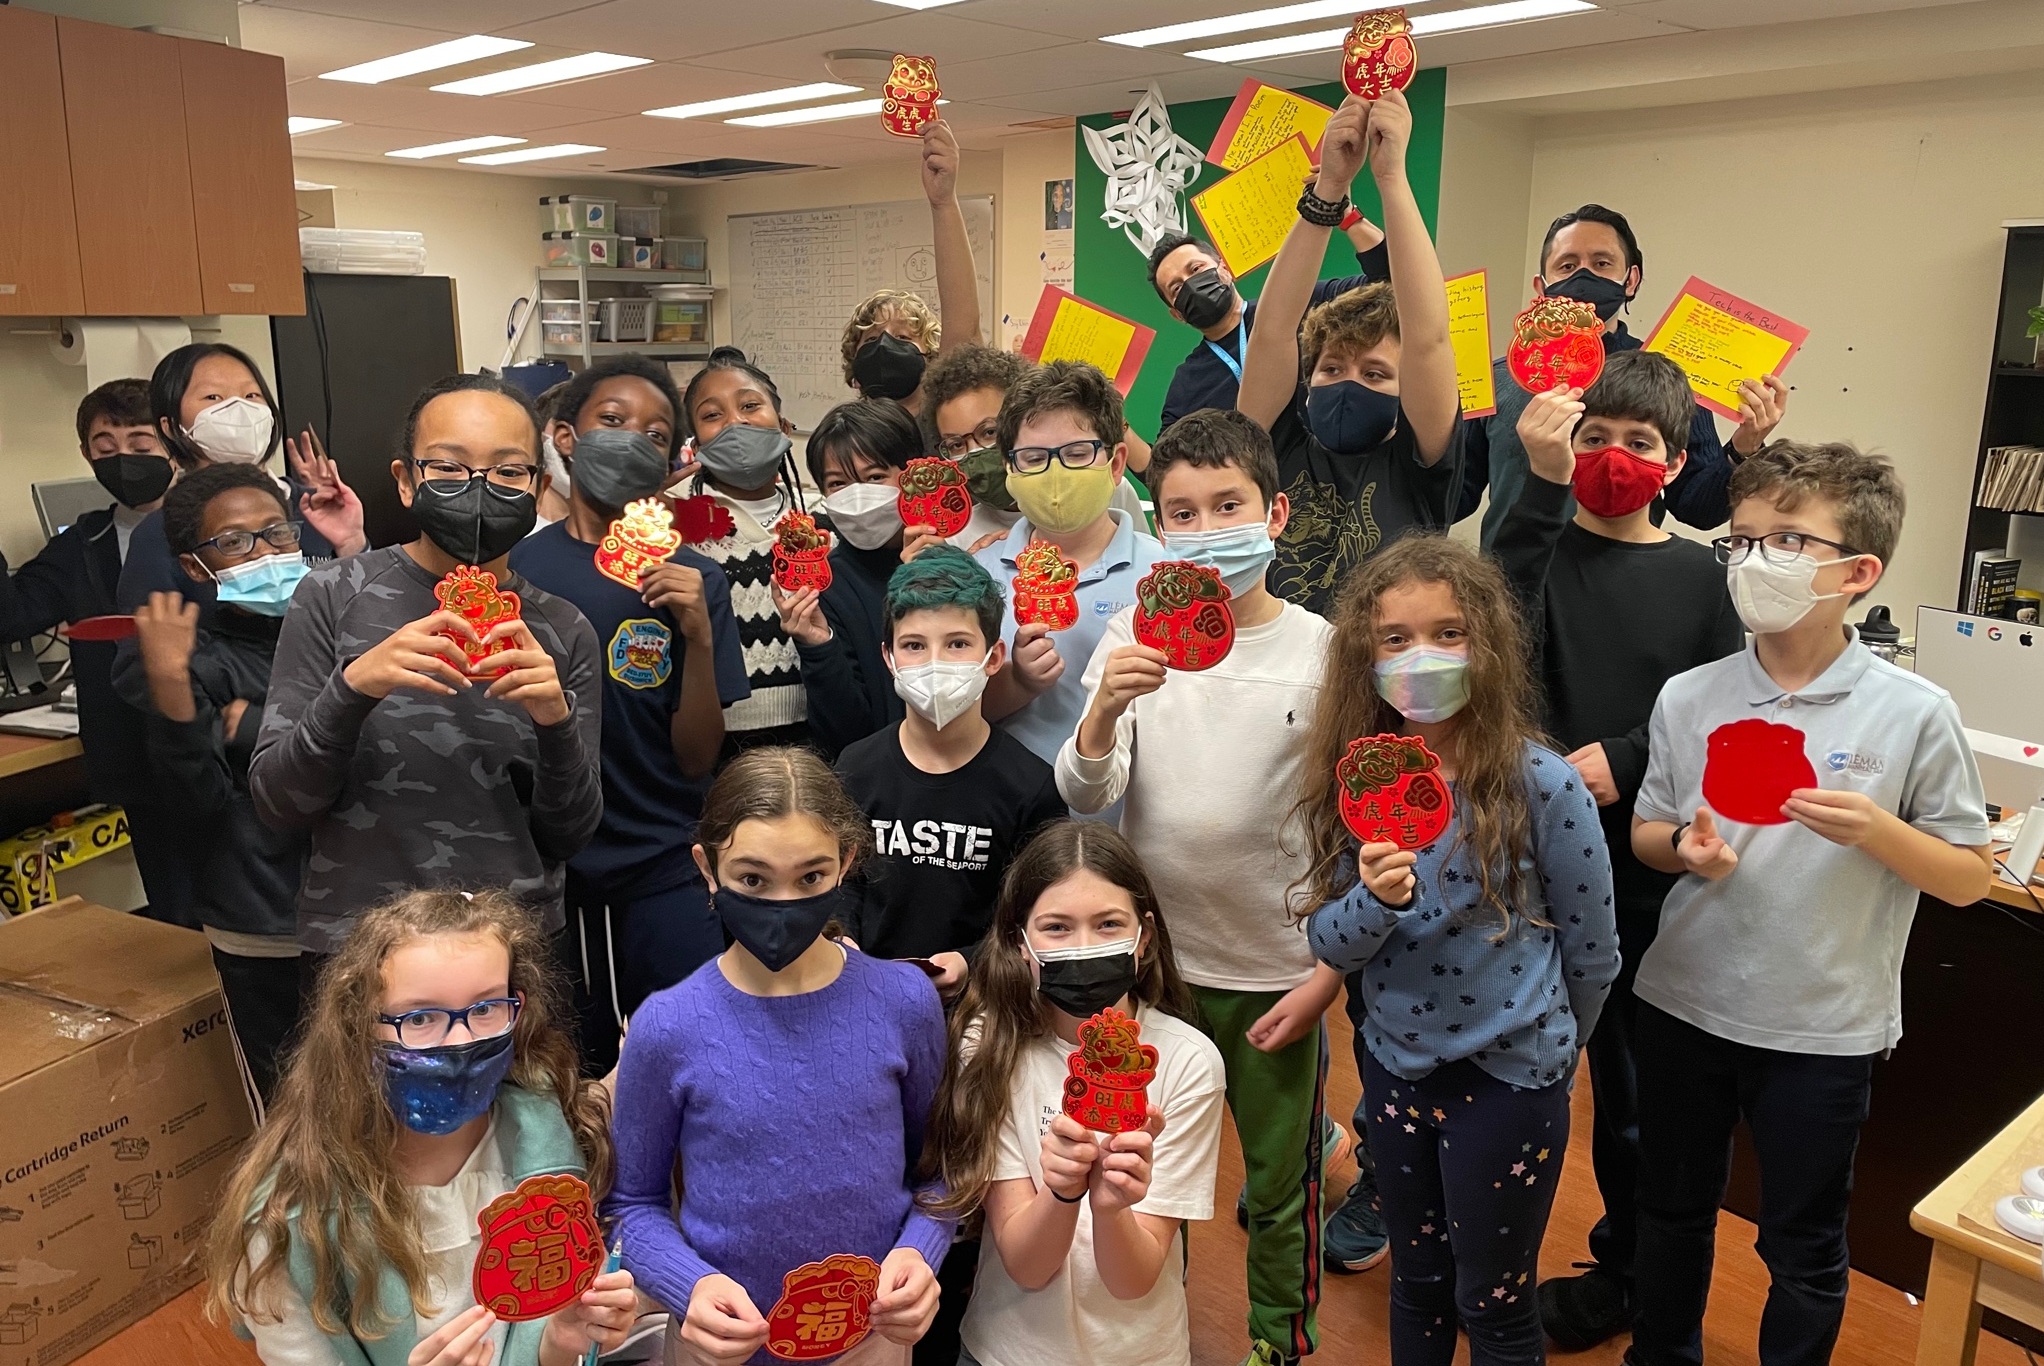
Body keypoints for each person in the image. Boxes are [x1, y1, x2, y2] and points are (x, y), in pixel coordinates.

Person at [1625, 443, 1991, 1366]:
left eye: (1788, 540)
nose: (1757, 562)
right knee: (1667, 1215)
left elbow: (1968, 876)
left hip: (1823, 1030)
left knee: (1803, 1244)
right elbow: (1648, 832)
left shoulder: (1912, 712)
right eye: (1742, 541)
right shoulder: (1691, 695)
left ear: (1858, 571)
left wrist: (1879, 832)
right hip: (1685, 1005)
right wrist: (1687, 852)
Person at [1056, 409, 1346, 1366]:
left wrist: (1330, 973)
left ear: (1276, 512)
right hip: (1161, 970)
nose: (1208, 525)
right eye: (1182, 512)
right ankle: (1158, 1330)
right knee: (1150, 1167)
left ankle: (1277, 1342)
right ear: (1159, 527)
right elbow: (1086, 791)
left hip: (1278, 967)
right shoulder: (1138, 634)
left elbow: (1350, 827)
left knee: (1279, 1181)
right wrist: (1103, 709)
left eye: (1229, 504)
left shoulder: (1322, 648)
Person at [1296, 534, 1621, 1366]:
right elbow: (1329, 942)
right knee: (1418, 1281)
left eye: (1449, 632)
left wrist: (1552, 1045)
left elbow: (1593, 954)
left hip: (1511, 1083)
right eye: (1396, 638)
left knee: (1496, 1300)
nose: (1424, 656)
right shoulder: (1358, 789)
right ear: (1363, 657)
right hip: (1397, 1074)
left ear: (1488, 645)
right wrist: (1379, 895)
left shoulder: (1540, 784)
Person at [1490, 351, 1748, 1349]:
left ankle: (1631, 1267)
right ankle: (1503, 1255)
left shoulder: (1699, 575)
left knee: (1635, 1099)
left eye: (1635, 442)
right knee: (1519, 1084)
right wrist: (1535, 489)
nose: (1610, 455)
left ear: (1675, 460)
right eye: (1590, 436)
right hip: (1529, 876)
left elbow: (1728, 709)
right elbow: (1491, 630)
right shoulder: (1536, 549)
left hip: (1647, 880)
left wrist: (1635, 754)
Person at [604, 748, 948, 1366]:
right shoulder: (667, 1024)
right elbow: (632, 1205)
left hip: (868, 1339)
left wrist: (920, 1251)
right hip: (720, 1347)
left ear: (846, 862)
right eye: (754, 879)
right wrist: (690, 1283)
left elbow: (939, 1172)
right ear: (708, 870)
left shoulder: (904, 1002)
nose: (783, 903)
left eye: (811, 877)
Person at [250, 373, 602, 974]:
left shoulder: (564, 628)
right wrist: (353, 687)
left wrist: (555, 723)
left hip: (513, 949)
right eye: (447, 467)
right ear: (406, 482)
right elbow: (278, 805)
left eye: (509, 471)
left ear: (539, 488)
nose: (478, 488)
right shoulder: (333, 597)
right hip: (359, 948)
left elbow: (571, 835)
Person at [204, 888, 638, 1365]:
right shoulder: (288, 1220)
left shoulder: (546, 1143)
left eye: (485, 1008)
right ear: (358, 1025)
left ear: (520, 1007)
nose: (461, 1041)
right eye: (422, 1017)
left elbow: (542, 1337)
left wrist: (561, 1342)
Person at [835, 546, 1066, 1366]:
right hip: (865, 1031)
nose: (938, 663)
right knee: (876, 1191)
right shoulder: (856, 771)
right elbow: (836, 893)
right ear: (892, 655)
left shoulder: (1027, 783)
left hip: (978, 1035)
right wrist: (850, 954)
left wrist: (972, 963)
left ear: (994, 655)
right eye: (919, 645)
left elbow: (1035, 917)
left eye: (959, 645)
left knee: (959, 1201)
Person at [509, 354, 751, 1074]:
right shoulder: (517, 572)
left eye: (652, 434)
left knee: (692, 1057)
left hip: (663, 859)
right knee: (562, 1065)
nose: (630, 441)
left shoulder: (693, 576)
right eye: (610, 421)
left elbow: (698, 757)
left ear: (671, 460)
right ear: (564, 436)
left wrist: (700, 638)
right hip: (549, 870)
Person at [922, 821, 1226, 1366]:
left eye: (1109, 924)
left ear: (1146, 936)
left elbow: (1133, 1280)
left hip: (1138, 1353)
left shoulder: (1188, 1063)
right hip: (1004, 1350)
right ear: (1021, 944)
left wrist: (1112, 1208)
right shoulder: (987, 1046)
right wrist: (1062, 1193)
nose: (1084, 949)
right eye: (1057, 928)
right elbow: (1026, 1264)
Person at [1236, 93, 1461, 618]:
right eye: (1332, 368)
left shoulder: (1418, 462)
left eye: (1376, 373)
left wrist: (1391, 178)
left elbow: (1428, 337)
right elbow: (1272, 332)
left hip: (1374, 683)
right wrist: (1328, 190)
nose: (1348, 382)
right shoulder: (1280, 445)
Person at [1455, 203, 1789, 546]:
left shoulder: (1669, 377)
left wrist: (1744, 447)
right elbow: (1450, 499)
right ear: (1542, 287)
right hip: (1511, 581)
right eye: (1567, 265)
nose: (1583, 276)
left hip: (1627, 580)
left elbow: (1697, 510)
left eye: (1601, 263)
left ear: (1630, 279)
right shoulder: (1498, 379)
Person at [134, 464, 311, 1101]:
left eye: (276, 534)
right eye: (234, 542)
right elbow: (197, 806)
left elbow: (374, 749)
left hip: (359, 914)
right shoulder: (201, 665)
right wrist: (173, 690)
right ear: (193, 566)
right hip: (263, 925)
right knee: (294, 1111)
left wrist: (256, 727)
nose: (263, 552)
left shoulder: (336, 638)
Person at [0, 379, 189, 923]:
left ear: (172, 443)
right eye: (106, 449)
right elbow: (12, 614)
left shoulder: (217, 526)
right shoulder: (79, 546)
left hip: (221, 749)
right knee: (177, 917)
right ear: (87, 455)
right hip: (136, 759)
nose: (123, 459)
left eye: (139, 443)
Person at [975, 361, 1164, 780]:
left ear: (1116, 464)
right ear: (1010, 470)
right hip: (1010, 813)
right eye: (1033, 458)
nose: (1056, 473)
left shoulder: (1162, 578)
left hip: (1122, 822)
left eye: (1078, 454)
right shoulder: (979, 576)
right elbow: (954, 712)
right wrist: (1017, 682)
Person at [678, 348, 813, 756]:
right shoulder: (670, 519)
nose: (736, 422)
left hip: (817, 729)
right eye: (712, 414)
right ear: (694, 443)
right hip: (715, 736)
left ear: (784, 425)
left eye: (750, 406)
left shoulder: (823, 515)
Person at [775, 398, 922, 757]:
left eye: (874, 477)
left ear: (912, 474)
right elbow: (844, 733)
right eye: (838, 483)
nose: (858, 496)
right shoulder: (823, 585)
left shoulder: (957, 560)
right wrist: (817, 644)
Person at [1149, 212, 1387, 432]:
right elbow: (1164, 464)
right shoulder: (1189, 383)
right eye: (1177, 288)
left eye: (1196, 268)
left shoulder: (1298, 302)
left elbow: (1391, 280)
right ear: (1177, 315)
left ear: (1224, 269)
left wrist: (1348, 217)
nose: (1192, 284)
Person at [922, 345, 1156, 526]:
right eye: (955, 445)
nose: (974, 452)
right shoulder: (960, 531)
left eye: (989, 432)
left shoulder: (1102, 486)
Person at [840, 120, 981, 414]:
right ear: (854, 362)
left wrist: (943, 203)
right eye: (873, 338)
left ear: (930, 357)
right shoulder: (847, 436)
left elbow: (964, 327)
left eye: (904, 337)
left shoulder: (942, 422)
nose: (885, 346)